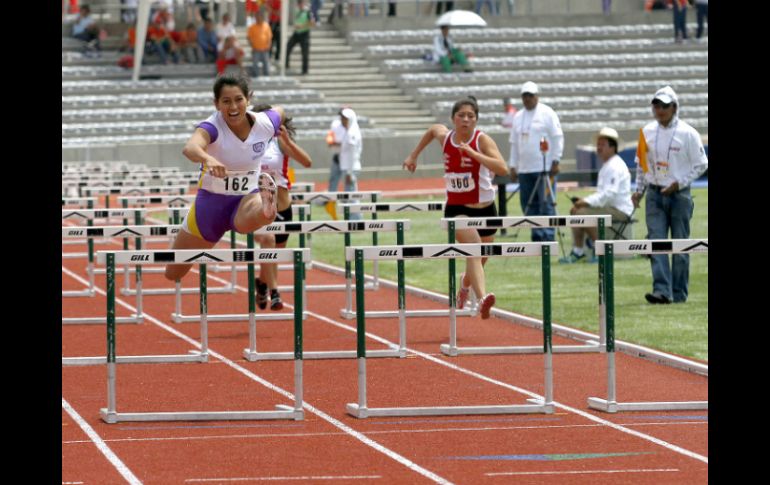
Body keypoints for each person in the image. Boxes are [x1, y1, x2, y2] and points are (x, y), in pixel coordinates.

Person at [164, 74, 283, 282]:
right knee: (173, 273)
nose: (233, 106)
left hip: (246, 197)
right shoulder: (212, 126)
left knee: (254, 216)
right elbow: (190, 147)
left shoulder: (265, 123)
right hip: (210, 207)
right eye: (226, 101)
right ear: (216, 104)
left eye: (239, 99)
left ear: (249, 99)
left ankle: (267, 210)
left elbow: (279, 112)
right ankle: (263, 212)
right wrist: (207, 158)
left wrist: (280, 122)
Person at [402, 96, 508, 319]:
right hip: (457, 208)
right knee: (474, 246)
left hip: (486, 208)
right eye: (461, 115)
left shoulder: (483, 141)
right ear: (453, 119)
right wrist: (413, 155)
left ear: (476, 120)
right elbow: (433, 129)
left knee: (481, 257)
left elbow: (503, 168)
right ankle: (481, 299)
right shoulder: (446, 137)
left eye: (471, 116)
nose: (466, 120)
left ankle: (464, 284)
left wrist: (474, 154)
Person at [632, 86, 707, 304]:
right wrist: (638, 191)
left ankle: (679, 293)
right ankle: (662, 291)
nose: (660, 109)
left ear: (674, 107)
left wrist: (680, 182)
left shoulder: (689, 133)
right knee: (656, 242)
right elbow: (641, 166)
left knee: (681, 244)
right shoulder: (645, 132)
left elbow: (702, 164)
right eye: (656, 105)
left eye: (664, 105)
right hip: (655, 193)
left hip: (680, 194)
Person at [252, 104, 313, 311]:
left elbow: (307, 162)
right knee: (267, 242)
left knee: (273, 255)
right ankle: (275, 292)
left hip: (283, 206)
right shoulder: (248, 144)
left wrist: (287, 141)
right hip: (257, 207)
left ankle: (261, 284)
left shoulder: (279, 142)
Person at [561, 127, 632, 263]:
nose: (598, 148)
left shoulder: (615, 166)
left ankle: (600, 251)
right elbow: (604, 195)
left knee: (581, 213)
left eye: (602, 145)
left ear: (613, 147)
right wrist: (585, 201)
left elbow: (609, 195)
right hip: (611, 207)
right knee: (575, 210)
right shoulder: (608, 165)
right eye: (598, 145)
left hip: (620, 210)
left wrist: (586, 202)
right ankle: (578, 250)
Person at [508, 81, 564, 241]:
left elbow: (557, 137)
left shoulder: (548, 113)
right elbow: (514, 142)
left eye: (530, 95)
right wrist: (513, 165)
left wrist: (556, 160)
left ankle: (547, 236)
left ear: (537, 96)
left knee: (546, 203)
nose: (527, 99)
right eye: (525, 96)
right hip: (525, 170)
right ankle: (537, 235)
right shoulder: (518, 116)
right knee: (527, 204)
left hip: (544, 168)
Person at [338, 108, 364, 221]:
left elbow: (353, 153)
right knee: (351, 195)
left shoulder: (352, 133)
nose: (342, 120)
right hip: (349, 168)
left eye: (344, 118)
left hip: (351, 169)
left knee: (352, 196)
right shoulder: (350, 131)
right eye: (342, 118)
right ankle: (353, 219)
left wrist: (349, 172)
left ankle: (356, 220)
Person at [285, 0, 313, 75]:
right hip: (297, 33)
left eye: (301, 3)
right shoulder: (297, 11)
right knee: (288, 47)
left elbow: (312, 23)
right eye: (299, 4)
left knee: (305, 53)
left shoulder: (307, 12)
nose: (300, 5)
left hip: (304, 34)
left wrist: (302, 26)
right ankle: (286, 65)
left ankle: (305, 70)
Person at [325, 108, 348, 193]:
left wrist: (338, 143)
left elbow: (347, 143)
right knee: (333, 179)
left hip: (347, 157)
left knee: (348, 181)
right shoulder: (335, 124)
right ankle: (331, 202)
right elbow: (330, 137)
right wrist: (331, 141)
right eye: (341, 116)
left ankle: (348, 203)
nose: (342, 118)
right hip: (337, 155)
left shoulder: (351, 126)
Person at [247, 9, 273, 77]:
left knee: (266, 64)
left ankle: (267, 77)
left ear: (262, 17)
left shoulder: (266, 26)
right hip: (256, 49)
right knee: (255, 64)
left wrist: (268, 46)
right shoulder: (252, 27)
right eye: (256, 17)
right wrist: (252, 46)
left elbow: (269, 37)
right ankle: (256, 76)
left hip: (265, 49)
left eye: (259, 16)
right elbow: (249, 38)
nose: (257, 18)